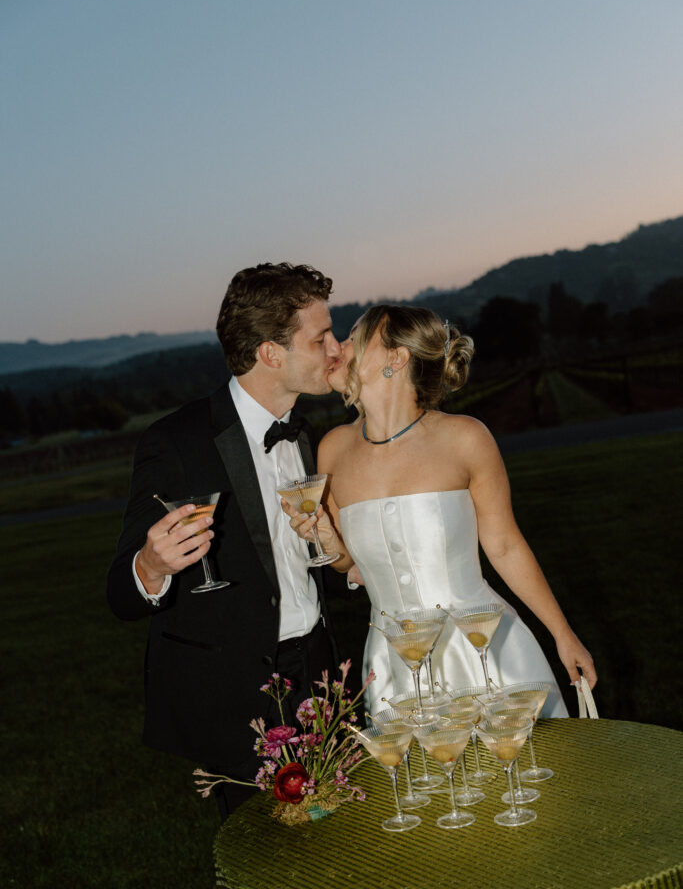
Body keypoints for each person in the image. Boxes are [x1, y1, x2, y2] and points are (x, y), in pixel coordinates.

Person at [106, 262, 343, 818]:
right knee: (264, 862)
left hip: (320, 672)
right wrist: (151, 565)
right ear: (270, 353)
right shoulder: (177, 441)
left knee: (338, 845)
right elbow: (120, 593)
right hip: (235, 695)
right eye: (321, 336)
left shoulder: (305, 435)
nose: (336, 348)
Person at [283, 303, 596, 718]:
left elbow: (504, 546)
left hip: (484, 650)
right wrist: (325, 538)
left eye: (355, 336)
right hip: (395, 666)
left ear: (396, 358)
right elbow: (346, 564)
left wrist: (562, 633)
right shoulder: (333, 450)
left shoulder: (465, 438)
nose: (338, 346)